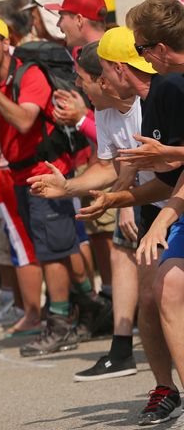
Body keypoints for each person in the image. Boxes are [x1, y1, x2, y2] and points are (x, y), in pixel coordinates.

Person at [0, 16, 81, 357]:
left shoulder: (28, 74)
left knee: (53, 250)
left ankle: (62, 322)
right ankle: (85, 306)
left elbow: (24, 121)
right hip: (21, 174)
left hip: (46, 170)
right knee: (49, 247)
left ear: (4, 42)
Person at [77, 25, 183, 426]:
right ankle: (164, 388)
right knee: (154, 297)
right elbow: (125, 168)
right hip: (161, 206)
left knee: (168, 292)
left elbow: (171, 170)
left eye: (102, 70)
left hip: (170, 207)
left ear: (120, 69)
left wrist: (149, 205)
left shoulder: (164, 92)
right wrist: (106, 195)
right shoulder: (136, 98)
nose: (99, 80)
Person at [26, 41, 142, 382]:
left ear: (104, 79)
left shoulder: (146, 104)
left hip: (169, 200)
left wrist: (125, 200)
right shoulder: (106, 112)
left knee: (157, 292)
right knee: (129, 264)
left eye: (81, 79)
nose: (76, 86)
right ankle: (121, 351)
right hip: (147, 199)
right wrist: (67, 187)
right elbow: (109, 167)